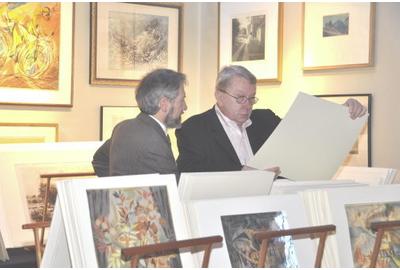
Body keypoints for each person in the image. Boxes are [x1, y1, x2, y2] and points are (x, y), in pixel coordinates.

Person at [175, 65, 367, 175]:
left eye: (252, 98)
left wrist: (343, 112)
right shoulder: (194, 129)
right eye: (240, 98)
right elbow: (189, 181)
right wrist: (241, 178)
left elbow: (307, 136)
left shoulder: (265, 120)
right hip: (225, 214)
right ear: (219, 95)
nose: (247, 105)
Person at [92, 68, 187, 177]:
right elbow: (174, 188)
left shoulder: (122, 127)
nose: (185, 107)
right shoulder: (155, 141)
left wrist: (120, 189)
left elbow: (99, 161)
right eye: (182, 100)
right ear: (164, 104)